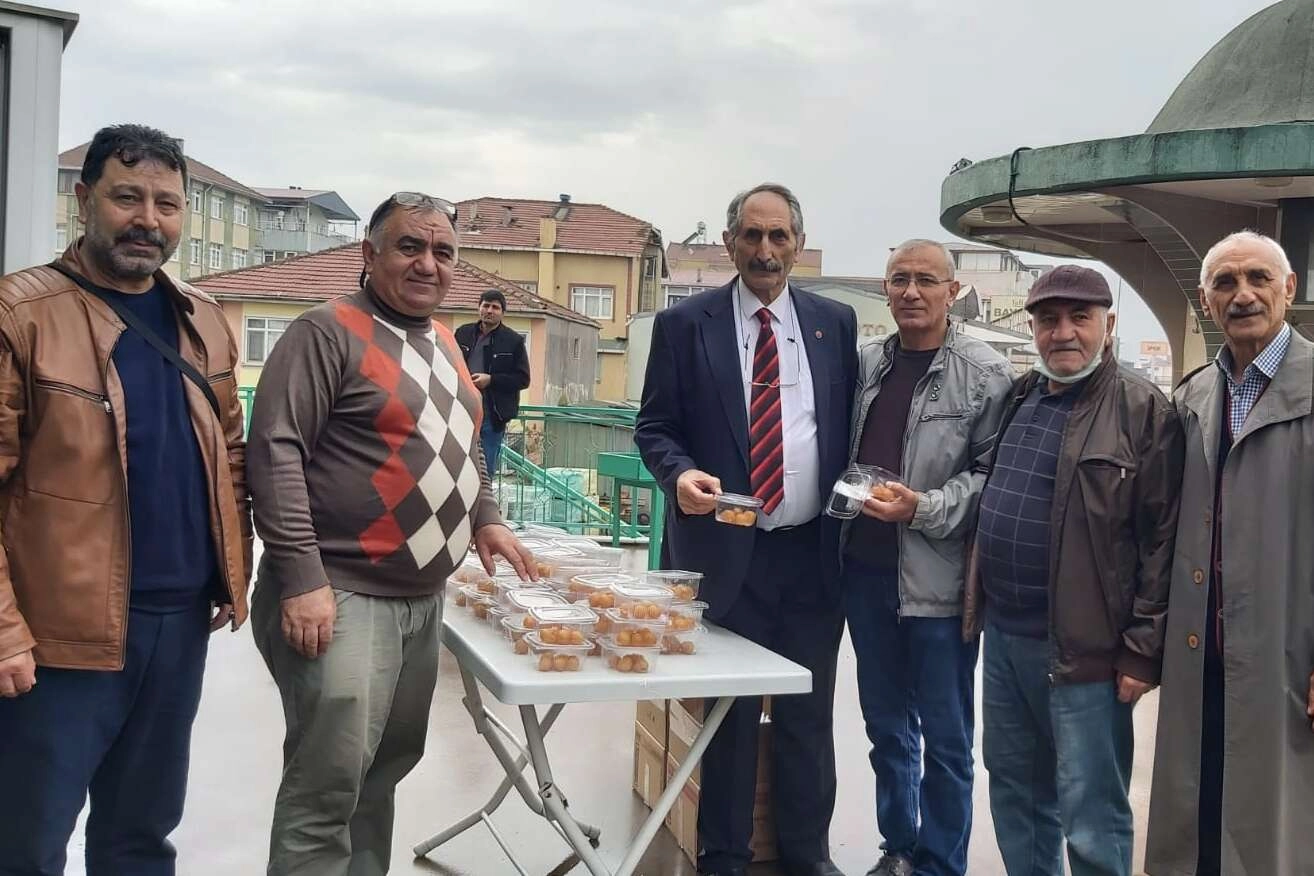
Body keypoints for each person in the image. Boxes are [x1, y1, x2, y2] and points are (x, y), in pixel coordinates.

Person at [246, 192, 535, 876]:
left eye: (443, 252)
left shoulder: (444, 341)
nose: (428, 263)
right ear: (369, 253)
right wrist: (303, 579)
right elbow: (276, 452)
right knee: (328, 786)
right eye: (410, 246)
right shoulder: (326, 332)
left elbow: (465, 444)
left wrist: (486, 516)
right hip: (341, 595)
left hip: (421, 600)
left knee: (382, 773)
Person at [0, 124, 251, 875]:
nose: (148, 220)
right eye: (127, 198)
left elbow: (231, 454)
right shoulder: (21, 314)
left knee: (141, 838)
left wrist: (231, 569)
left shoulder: (202, 319)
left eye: (166, 204)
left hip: (178, 624)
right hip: (57, 634)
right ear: (84, 200)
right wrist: (5, 630)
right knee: (26, 843)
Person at [635, 182, 857, 876]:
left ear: (798, 244)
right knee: (728, 715)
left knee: (807, 713)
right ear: (730, 243)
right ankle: (724, 858)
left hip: (811, 554)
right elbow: (655, 426)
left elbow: (843, 425)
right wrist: (677, 476)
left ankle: (807, 856)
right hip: (725, 555)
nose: (766, 250)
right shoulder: (684, 325)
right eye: (753, 236)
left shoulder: (835, 323)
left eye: (779, 236)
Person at [964, 265, 1184, 876]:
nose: (1062, 333)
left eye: (1079, 318)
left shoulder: (1142, 409)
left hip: (1088, 653)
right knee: (1017, 791)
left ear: (1108, 325)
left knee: (1091, 813)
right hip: (1005, 640)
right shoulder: (1020, 397)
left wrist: (1142, 650)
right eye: (1048, 319)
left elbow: (1164, 538)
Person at [1145, 231, 1314, 876]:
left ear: (1288, 289)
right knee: (1201, 812)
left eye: (1258, 278)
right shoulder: (1193, 397)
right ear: (1205, 299)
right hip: (1203, 653)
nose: (1243, 295)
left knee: (1279, 823)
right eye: (1225, 282)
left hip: (1285, 653)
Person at [842, 240, 1013, 876]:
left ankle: (941, 863)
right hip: (867, 575)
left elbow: (994, 479)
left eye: (926, 280)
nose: (911, 292)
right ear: (885, 290)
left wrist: (924, 507)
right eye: (899, 280)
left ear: (952, 292)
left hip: (939, 584)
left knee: (946, 737)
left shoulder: (987, 373)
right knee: (886, 726)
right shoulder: (867, 365)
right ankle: (899, 847)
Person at [455, 288, 530, 480]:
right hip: (461, 409)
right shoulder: (463, 333)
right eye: (486, 305)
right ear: (479, 308)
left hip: (492, 413)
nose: (489, 310)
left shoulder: (513, 341)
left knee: (485, 470)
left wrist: (491, 380)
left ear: (503, 312)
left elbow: (523, 379)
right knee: (456, 465)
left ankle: (482, 498)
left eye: (495, 307)